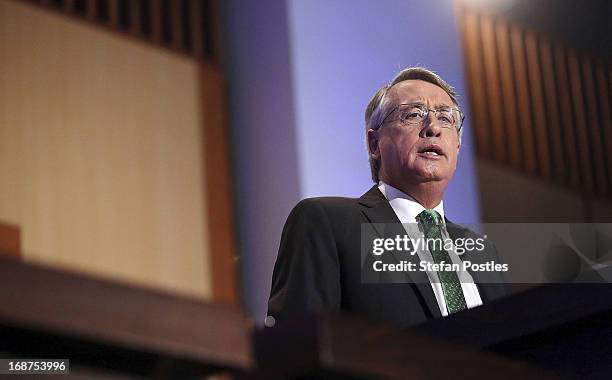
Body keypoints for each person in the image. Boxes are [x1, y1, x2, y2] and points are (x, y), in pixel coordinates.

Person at [267, 67, 509, 328]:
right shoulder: (326, 222)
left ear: (457, 146)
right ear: (374, 144)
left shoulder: (483, 253)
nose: (433, 129)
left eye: (446, 118)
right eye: (413, 114)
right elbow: (298, 347)